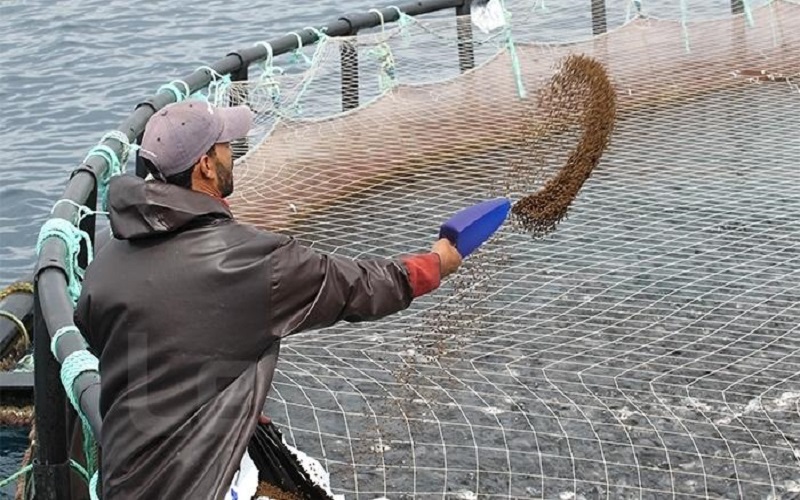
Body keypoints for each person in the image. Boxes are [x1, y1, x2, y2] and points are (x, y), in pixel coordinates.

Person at [74, 100, 462, 499]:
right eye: (225, 146)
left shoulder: (105, 260)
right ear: (205, 166)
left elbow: (99, 330)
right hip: (199, 486)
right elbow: (359, 287)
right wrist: (435, 264)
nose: (232, 154)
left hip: (122, 480)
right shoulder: (255, 261)